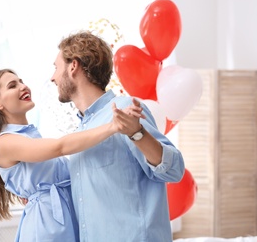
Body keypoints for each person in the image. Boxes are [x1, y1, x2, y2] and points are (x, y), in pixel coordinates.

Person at [0, 68, 143, 242]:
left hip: (66, 217)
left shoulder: (29, 135)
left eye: (21, 81)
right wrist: (112, 126)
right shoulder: (5, 142)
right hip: (48, 227)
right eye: (12, 86)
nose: (23, 87)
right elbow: (60, 147)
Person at [50, 31, 185, 242]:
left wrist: (137, 133)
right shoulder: (80, 134)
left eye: (56, 67)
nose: (53, 77)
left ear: (73, 66)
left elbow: (174, 170)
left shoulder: (123, 110)